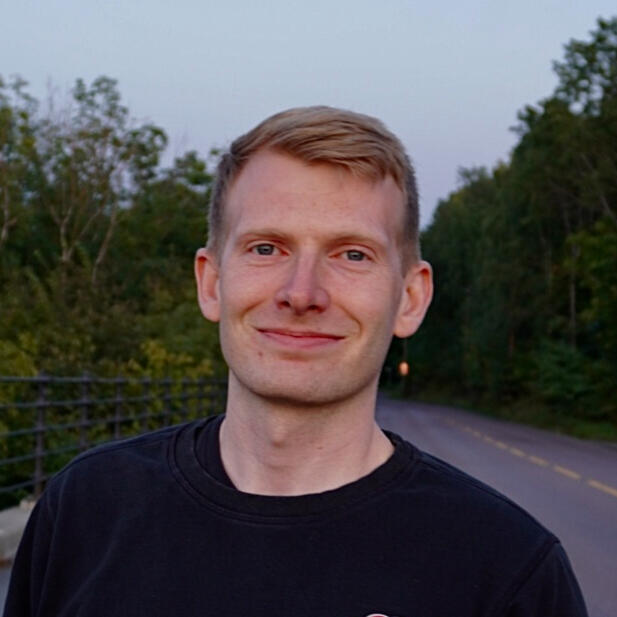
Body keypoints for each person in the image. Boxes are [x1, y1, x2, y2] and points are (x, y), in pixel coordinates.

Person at [4, 106, 587, 617]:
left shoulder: (506, 568)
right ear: (211, 282)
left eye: (352, 254)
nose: (301, 293)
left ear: (410, 298)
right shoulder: (87, 509)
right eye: (266, 248)